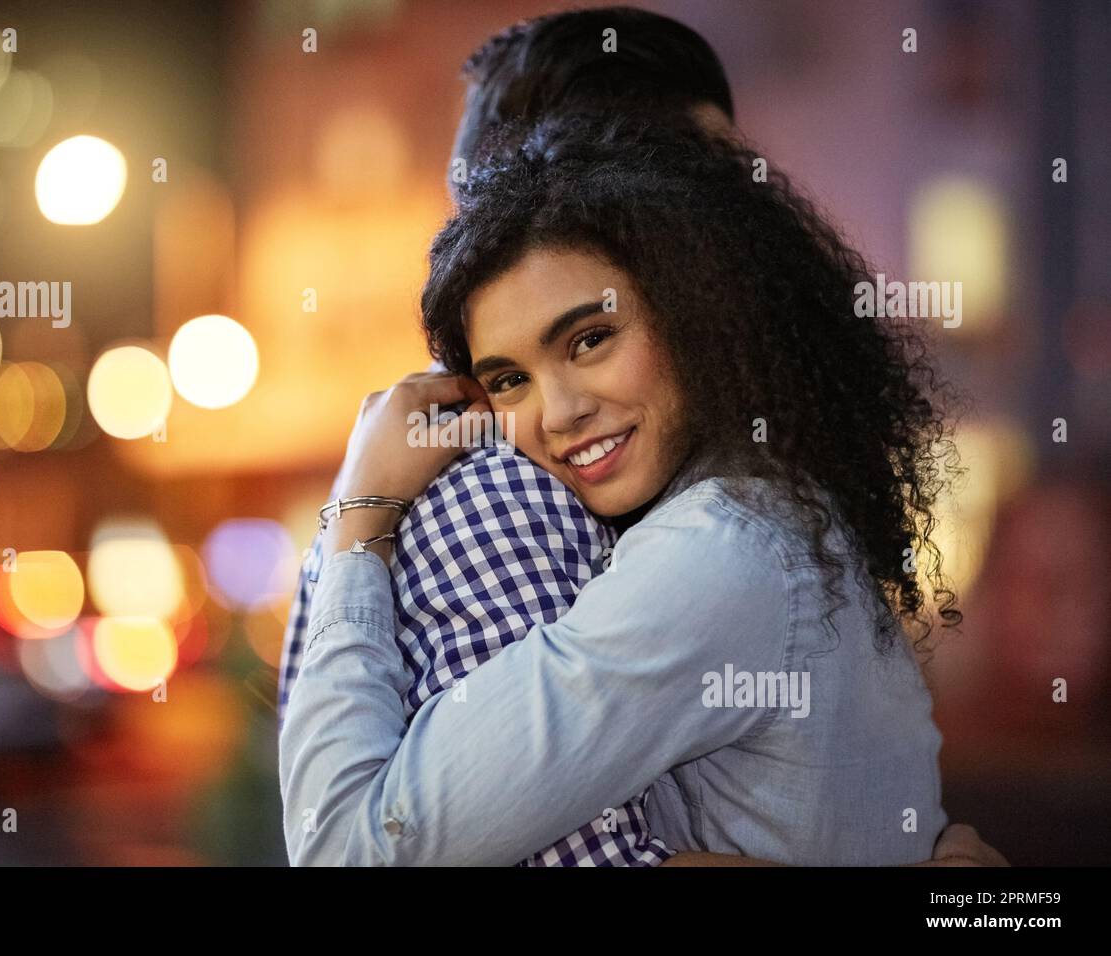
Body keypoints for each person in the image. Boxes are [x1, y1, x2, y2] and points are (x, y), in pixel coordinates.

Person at [280, 111, 964, 866]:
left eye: (590, 340)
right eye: (510, 381)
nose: (560, 412)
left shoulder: (716, 555)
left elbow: (344, 847)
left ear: (695, 315)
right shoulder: (761, 515)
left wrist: (358, 516)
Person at [279, 6, 741, 866]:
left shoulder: (607, 480)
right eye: (712, 172)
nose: (753, 209)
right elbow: (352, 850)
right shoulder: (497, 494)